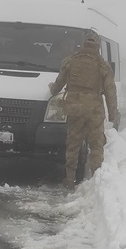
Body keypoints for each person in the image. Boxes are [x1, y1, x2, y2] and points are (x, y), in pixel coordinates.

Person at [49, 31, 119, 188]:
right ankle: (96, 179)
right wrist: (113, 115)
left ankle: (70, 180)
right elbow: (110, 92)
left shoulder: (70, 61)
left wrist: (52, 89)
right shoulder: (103, 66)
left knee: (73, 145)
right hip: (94, 110)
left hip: (75, 109)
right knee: (96, 145)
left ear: (83, 43)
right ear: (98, 46)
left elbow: (58, 85)